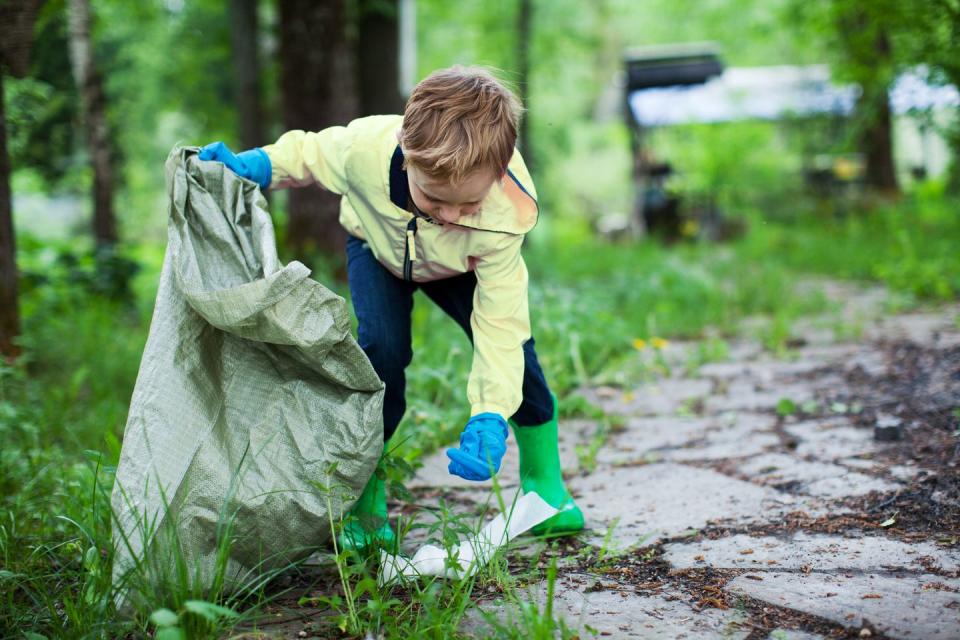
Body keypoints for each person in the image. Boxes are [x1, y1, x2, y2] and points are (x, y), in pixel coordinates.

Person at [199, 65, 583, 551]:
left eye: (468, 205)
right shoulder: (365, 148)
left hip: (460, 263)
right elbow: (310, 153)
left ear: (500, 169)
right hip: (377, 250)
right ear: (406, 153)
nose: (448, 216)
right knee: (380, 352)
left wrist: (489, 413)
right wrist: (257, 165)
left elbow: (500, 328)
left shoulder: (504, 214)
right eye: (435, 198)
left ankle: (545, 487)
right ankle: (366, 500)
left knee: (519, 357)